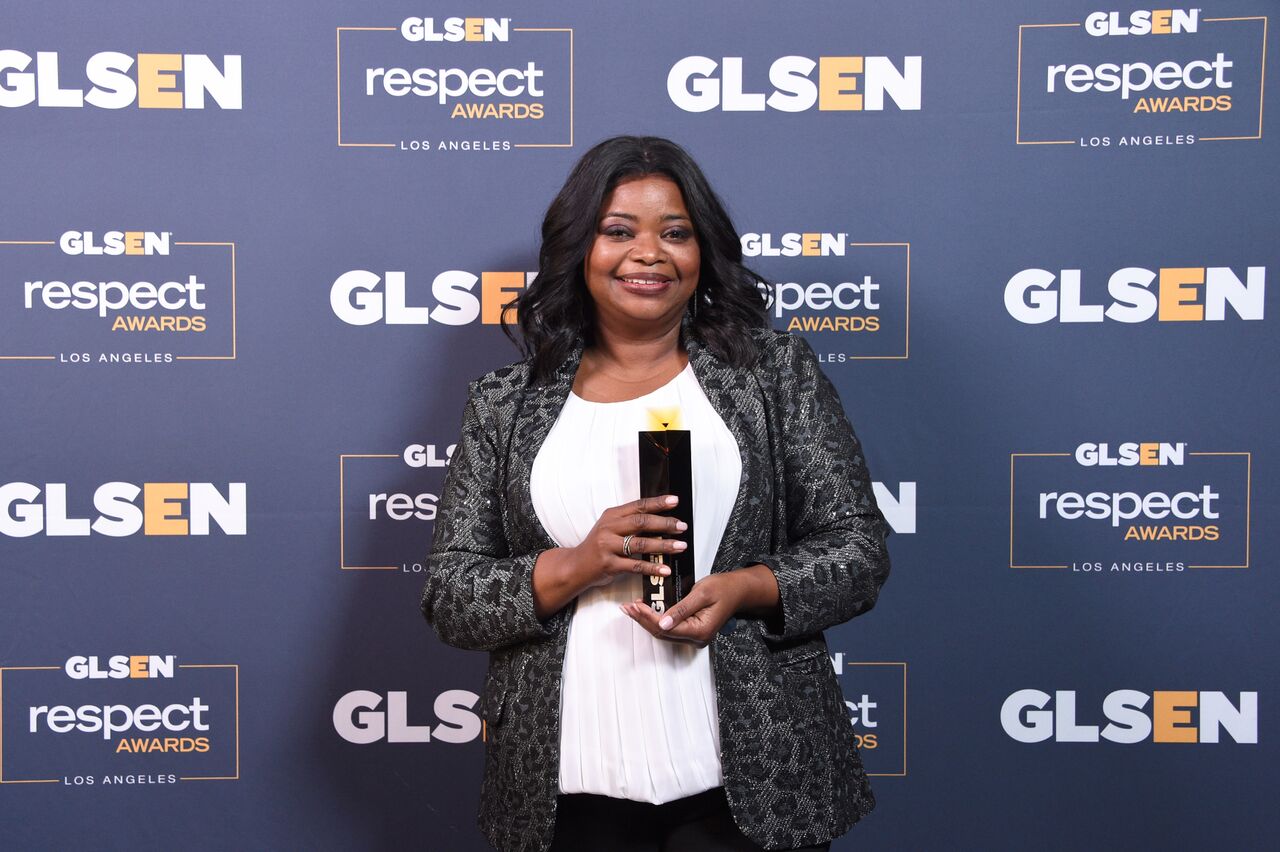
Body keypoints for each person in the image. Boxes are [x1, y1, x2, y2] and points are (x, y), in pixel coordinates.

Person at [420, 135, 890, 852]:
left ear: (703, 253)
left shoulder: (769, 373)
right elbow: (451, 595)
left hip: (750, 775)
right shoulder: (505, 405)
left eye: (675, 232)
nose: (649, 253)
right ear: (580, 249)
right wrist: (576, 564)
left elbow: (857, 551)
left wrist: (744, 587)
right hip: (568, 782)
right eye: (618, 232)